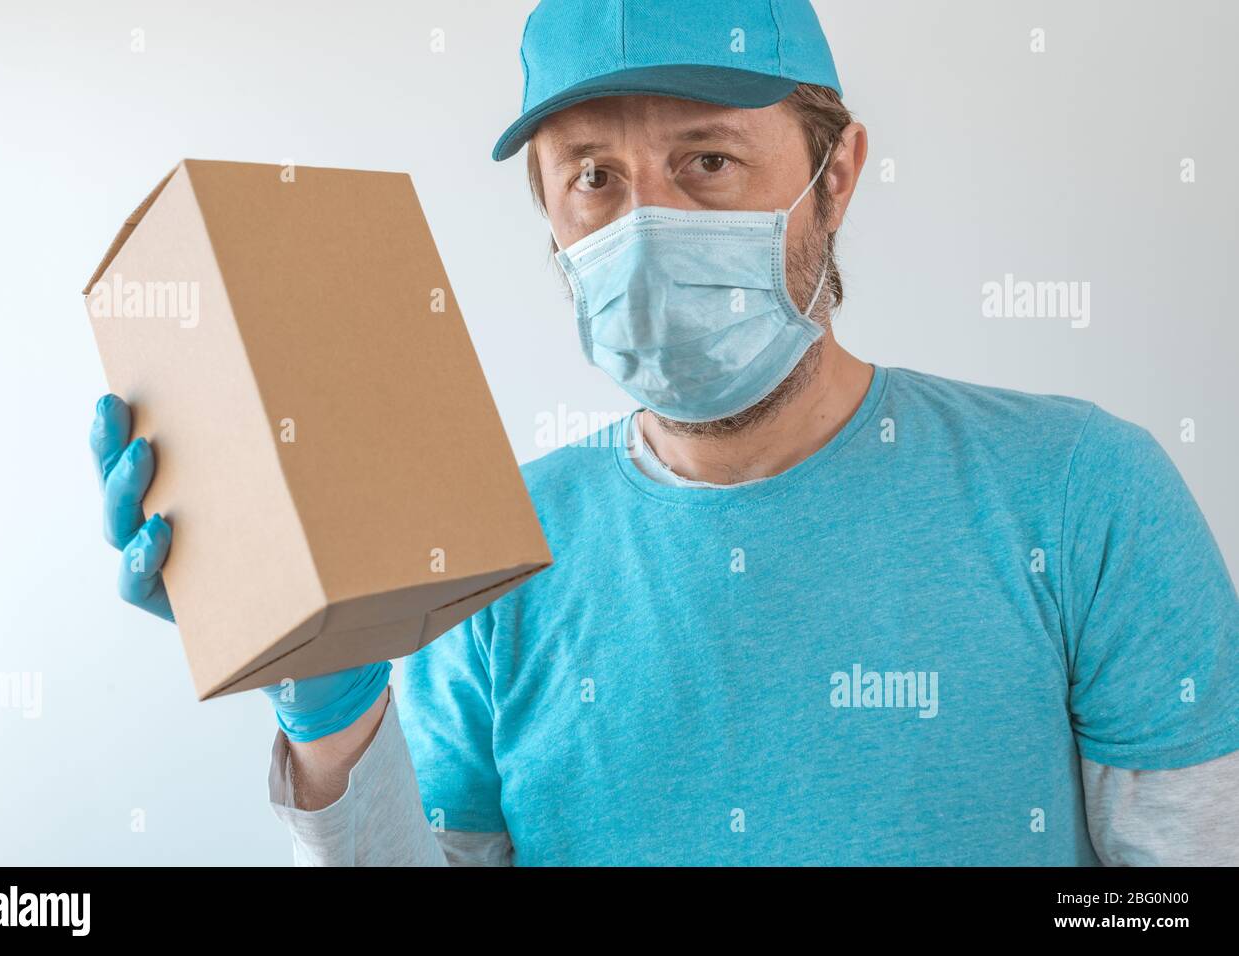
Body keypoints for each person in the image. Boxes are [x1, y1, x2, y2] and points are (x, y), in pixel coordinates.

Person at [89, 0, 1239, 865]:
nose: (648, 225)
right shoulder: (490, 548)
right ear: (549, 219)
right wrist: (330, 706)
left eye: (708, 161)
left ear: (834, 179)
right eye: (594, 176)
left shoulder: (1081, 493)